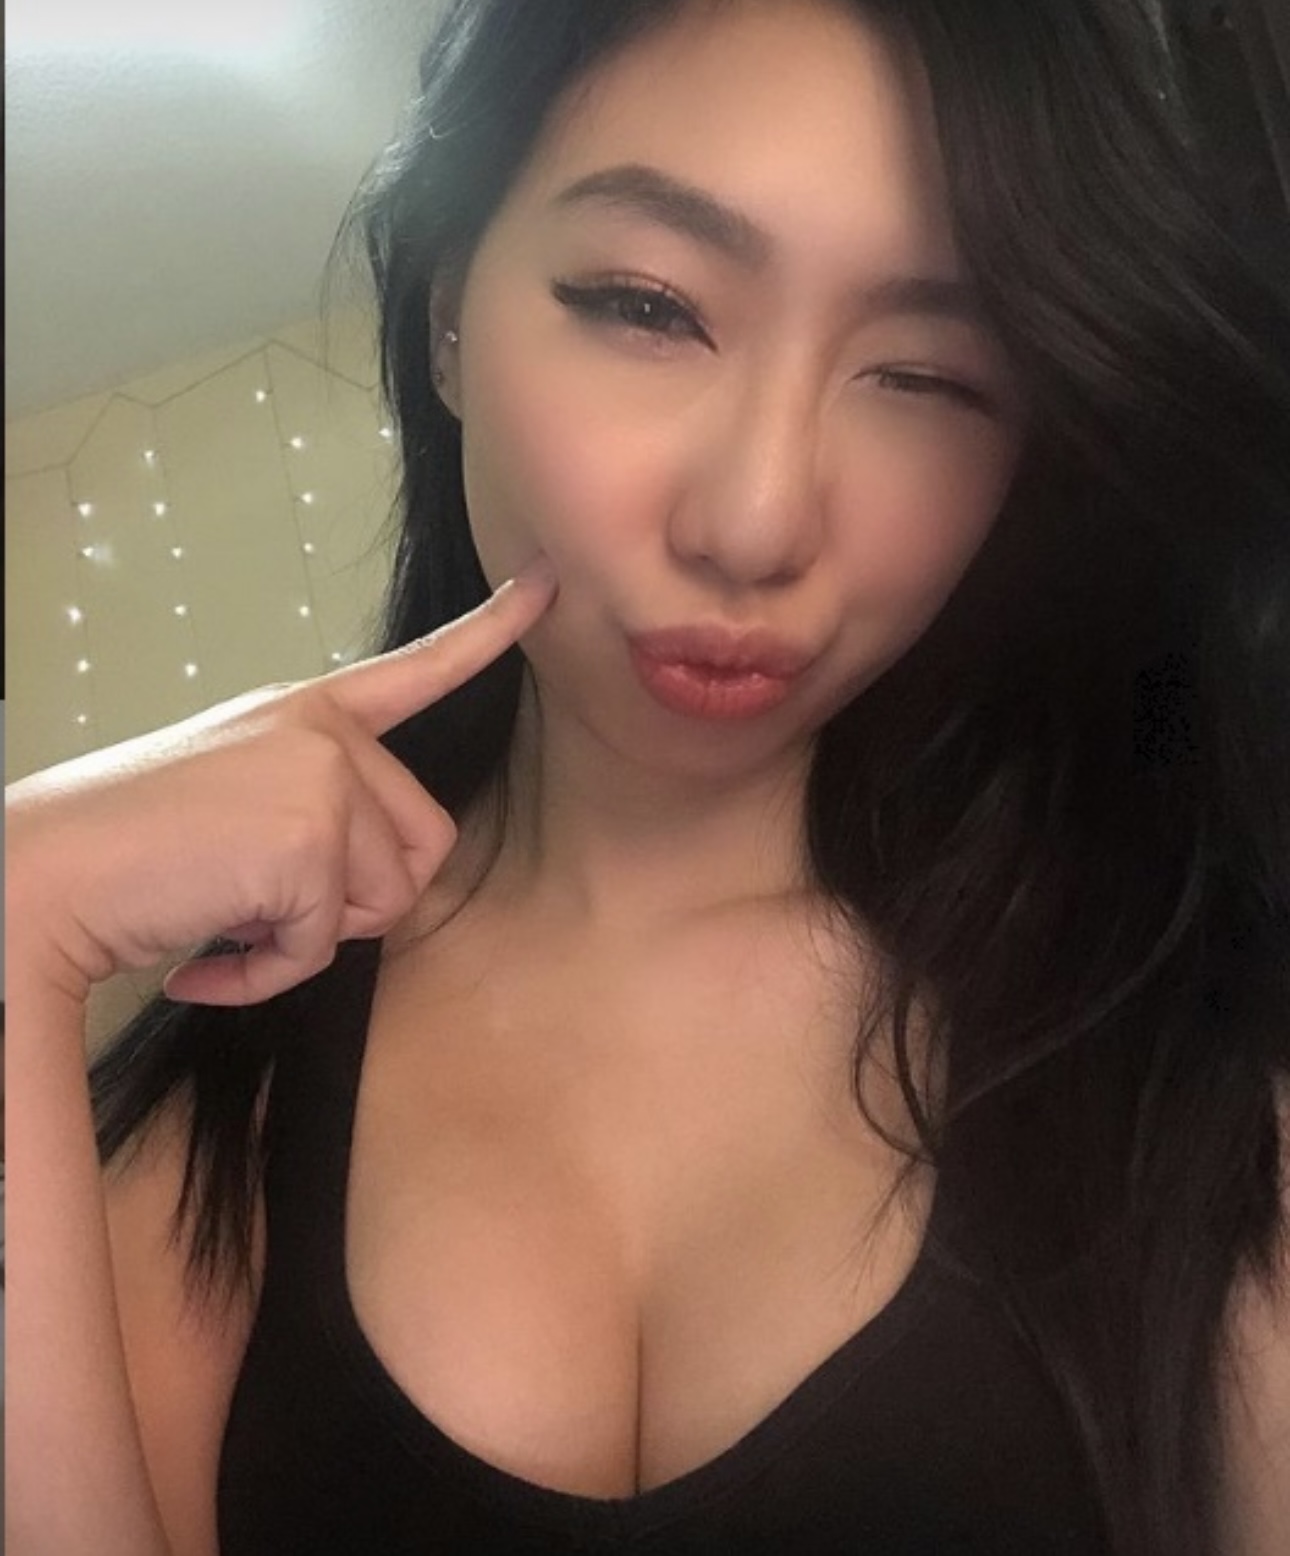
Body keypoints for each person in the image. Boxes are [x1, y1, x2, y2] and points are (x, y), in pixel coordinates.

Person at [7, 0, 1289, 1552]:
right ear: (448, 316)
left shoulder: (1181, 1037)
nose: (754, 522)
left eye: (931, 377)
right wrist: (18, 909)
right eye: (648, 306)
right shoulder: (223, 1105)